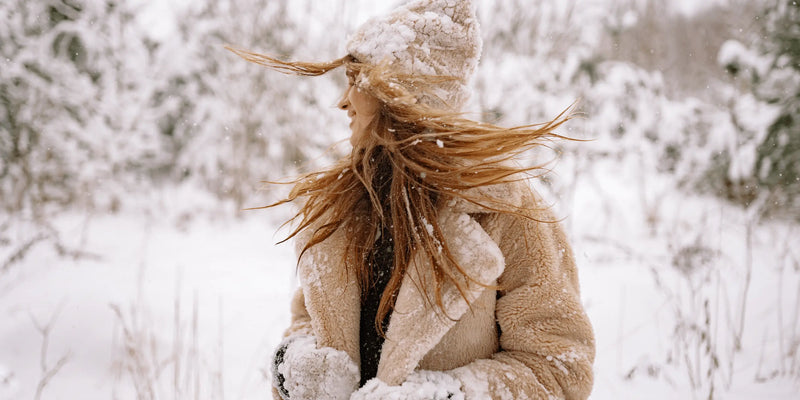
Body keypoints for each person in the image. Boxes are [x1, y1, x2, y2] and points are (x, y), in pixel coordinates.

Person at [228, 0, 595, 399]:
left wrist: (446, 395)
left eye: (357, 82)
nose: (343, 101)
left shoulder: (506, 213)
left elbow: (560, 367)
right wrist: (297, 367)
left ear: (403, 93)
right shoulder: (342, 210)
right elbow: (307, 323)